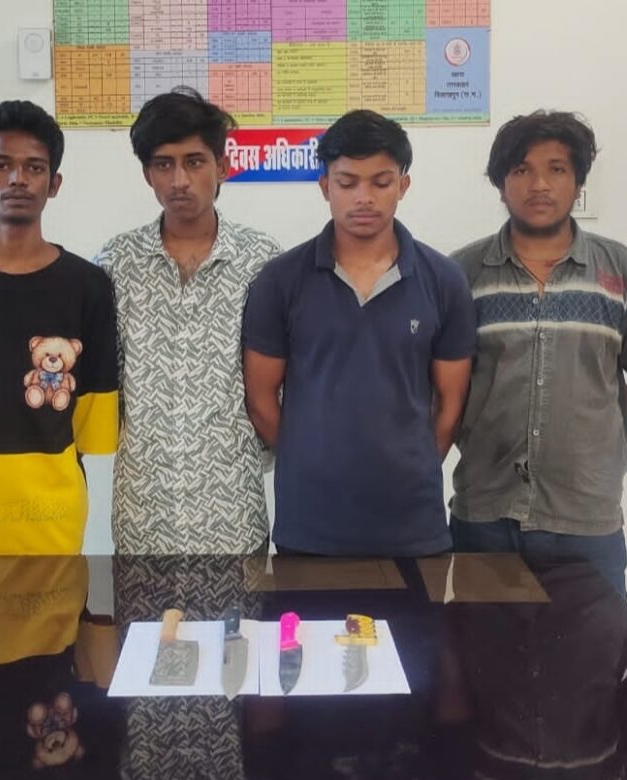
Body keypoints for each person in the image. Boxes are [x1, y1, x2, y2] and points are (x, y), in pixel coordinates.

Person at [242, 110, 476, 556]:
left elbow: (451, 405)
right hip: (310, 525)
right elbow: (260, 398)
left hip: (413, 527)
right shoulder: (281, 280)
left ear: (403, 186)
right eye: (347, 183)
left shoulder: (443, 280)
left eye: (380, 182)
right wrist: (308, 459)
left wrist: (413, 464)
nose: (364, 198)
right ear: (324, 187)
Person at [94, 87, 281, 554]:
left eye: (194, 162)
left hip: (233, 514)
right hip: (143, 515)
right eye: (164, 164)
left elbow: (283, 380)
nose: (179, 180)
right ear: (147, 175)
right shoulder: (116, 263)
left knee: (242, 609)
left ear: (222, 166)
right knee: (140, 609)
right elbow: (106, 381)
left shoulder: (263, 262)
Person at [450, 110, 627, 594]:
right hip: (485, 517)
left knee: (592, 646)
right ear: (501, 184)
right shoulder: (461, 275)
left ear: (578, 182)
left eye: (557, 169)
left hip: (587, 520)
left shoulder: (617, 272)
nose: (540, 184)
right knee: (482, 644)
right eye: (522, 169)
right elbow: (439, 392)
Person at [0, 100, 119, 554]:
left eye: (34, 167)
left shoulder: (88, 286)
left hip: (50, 524)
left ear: (54, 184)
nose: (17, 179)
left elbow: (90, 421)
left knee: (57, 608)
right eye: (2, 165)